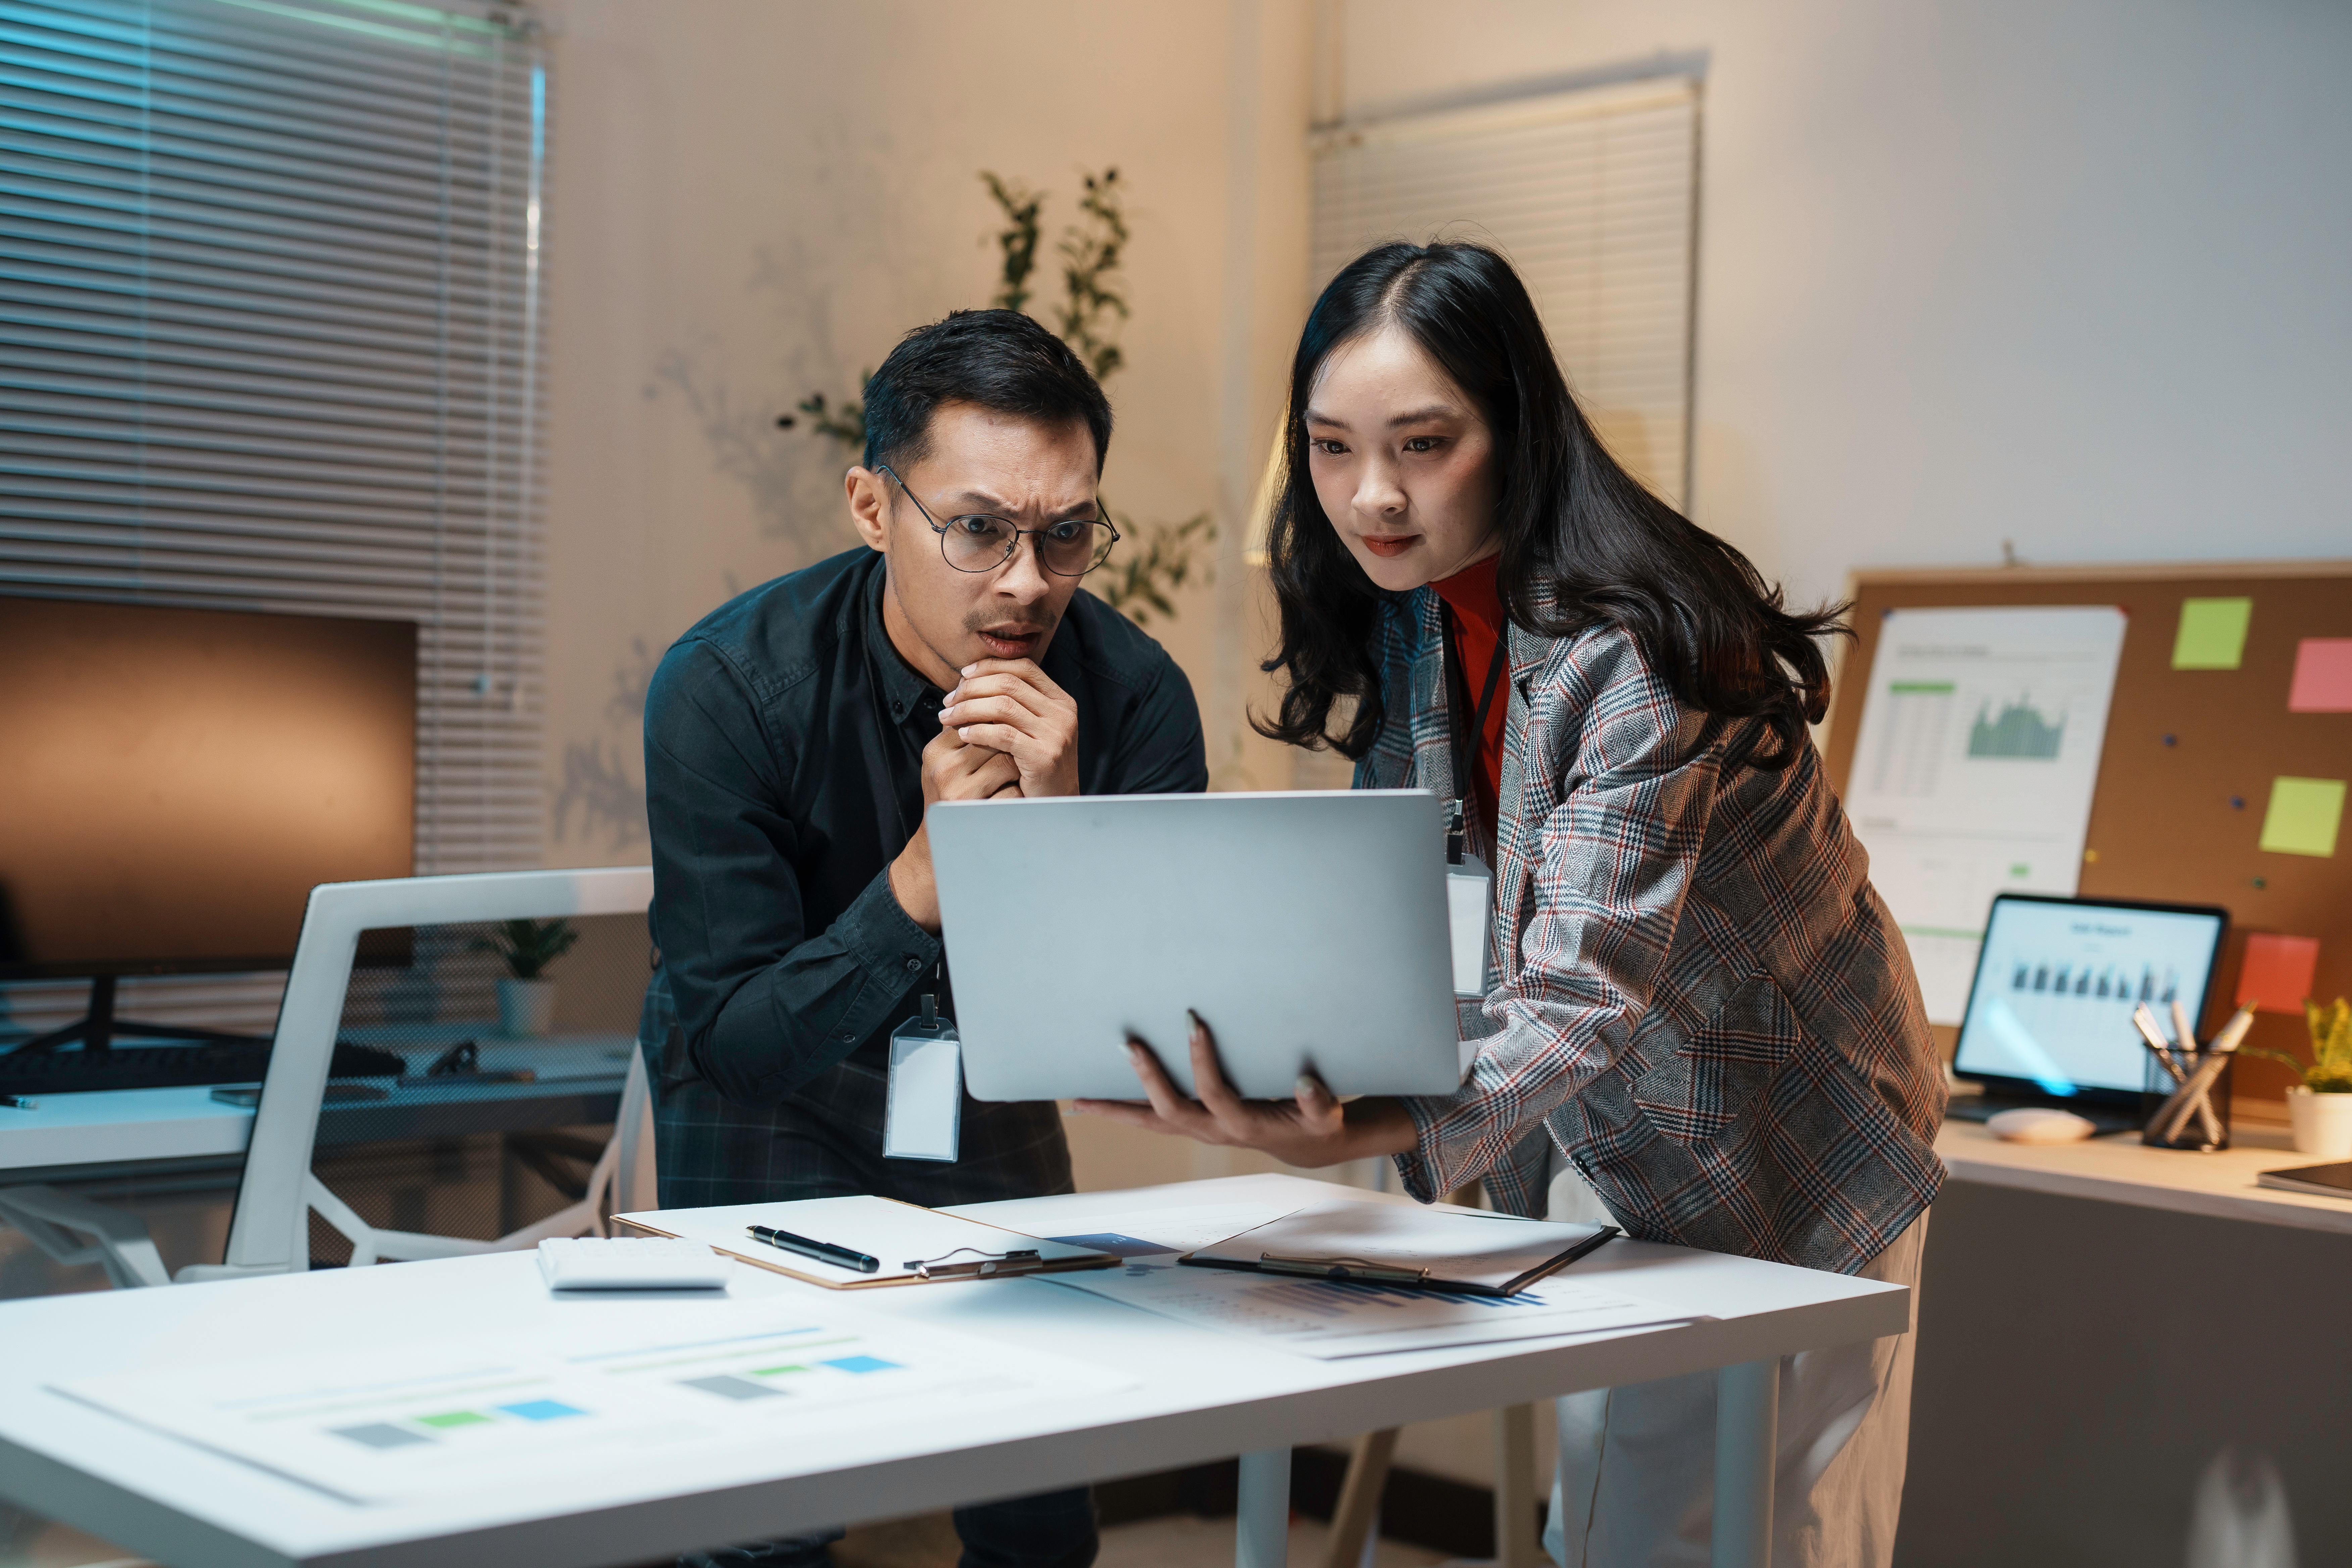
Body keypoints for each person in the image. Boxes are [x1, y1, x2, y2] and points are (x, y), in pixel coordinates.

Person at [1074, 243, 1946, 1568]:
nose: (1371, 493)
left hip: (1793, 1130)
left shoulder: (1646, 644)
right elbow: (1421, 905)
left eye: (1424, 444)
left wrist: (1364, 1119)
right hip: (1608, 1127)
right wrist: (1282, 1048)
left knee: (1779, 1531)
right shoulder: (1416, 614)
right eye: (1329, 446)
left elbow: (1584, 985)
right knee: (1616, 1518)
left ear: (1516, 431)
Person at [640, 308, 1208, 1568]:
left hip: (977, 1060)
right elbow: (731, 1042)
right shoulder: (729, 688)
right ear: (870, 504)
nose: (1025, 582)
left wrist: (1049, 850)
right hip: (770, 1076)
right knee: (766, 1509)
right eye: (978, 529)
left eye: (1067, 535)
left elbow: (1135, 1040)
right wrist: (928, 876)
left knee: (1040, 1491)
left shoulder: (1134, 698)